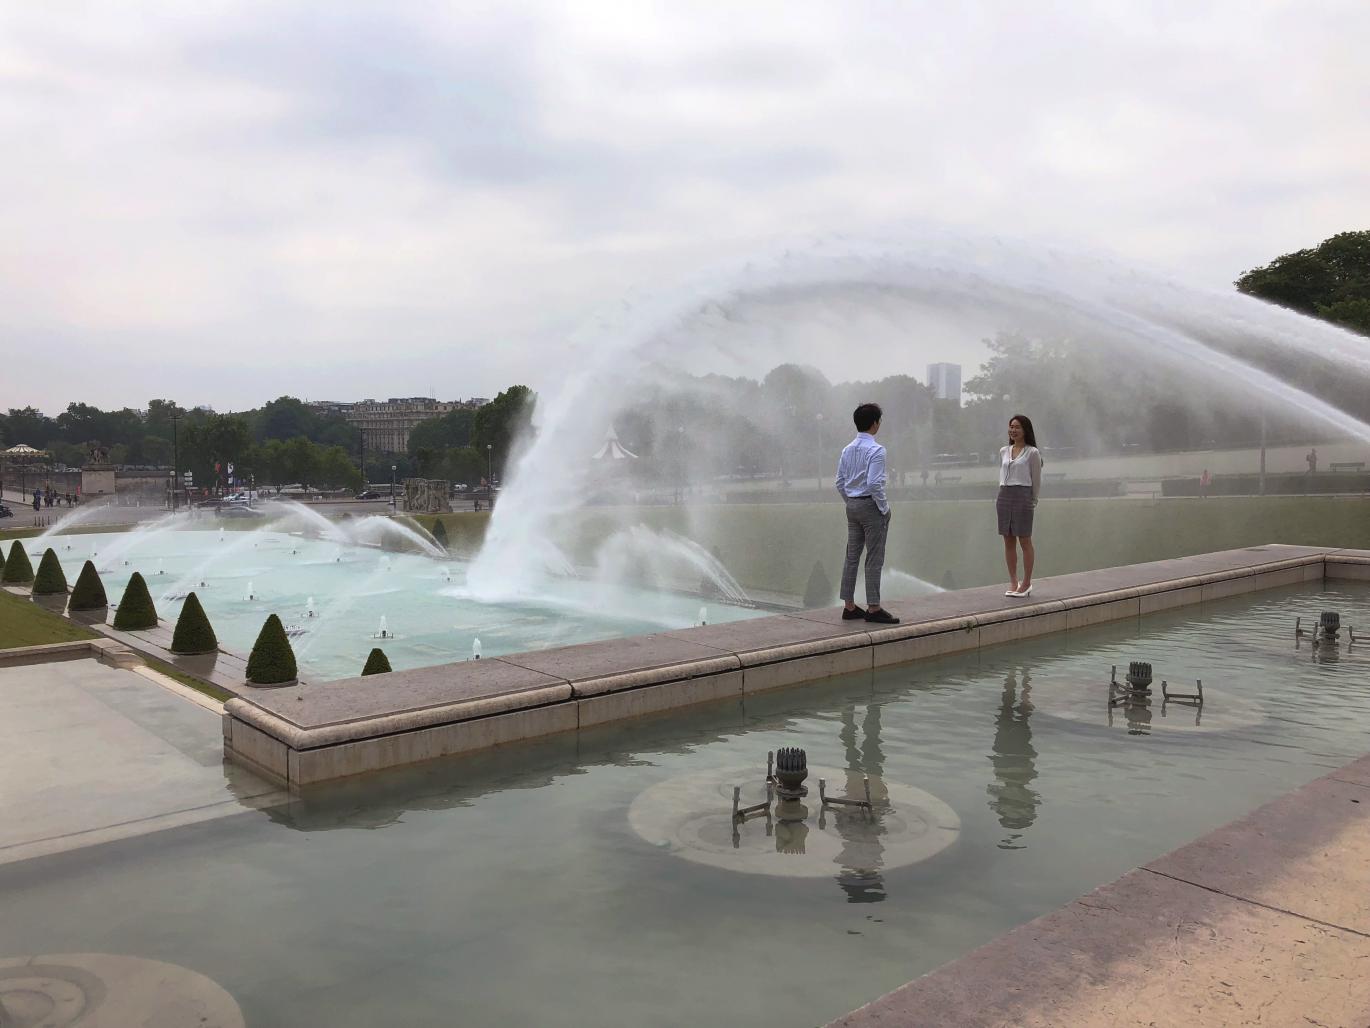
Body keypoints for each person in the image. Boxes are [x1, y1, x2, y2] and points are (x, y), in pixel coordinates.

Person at [835, 403, 899, 624]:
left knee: (851, 557)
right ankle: (873, 607)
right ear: (874, 423)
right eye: (879, 420)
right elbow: (874, 483)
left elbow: (839, 482)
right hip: (870, 507)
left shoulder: (847, 449)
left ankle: (849, 606)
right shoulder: (877, 450)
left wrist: (850, 501)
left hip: (852, 506)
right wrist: (884, 508)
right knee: (874, 558)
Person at [998, 414, 1043, 598]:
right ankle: (1013, 581)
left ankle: (1026, 583)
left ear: (1025, 430)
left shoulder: (1032, 452)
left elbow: (1036, 479)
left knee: (1024, 540)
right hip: (1004, 495)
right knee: (1008, 540)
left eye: (1017, 427)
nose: (1013, 430)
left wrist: (1034, 499)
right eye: (1011, 427)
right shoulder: (1003, 451)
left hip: (1023, 495)